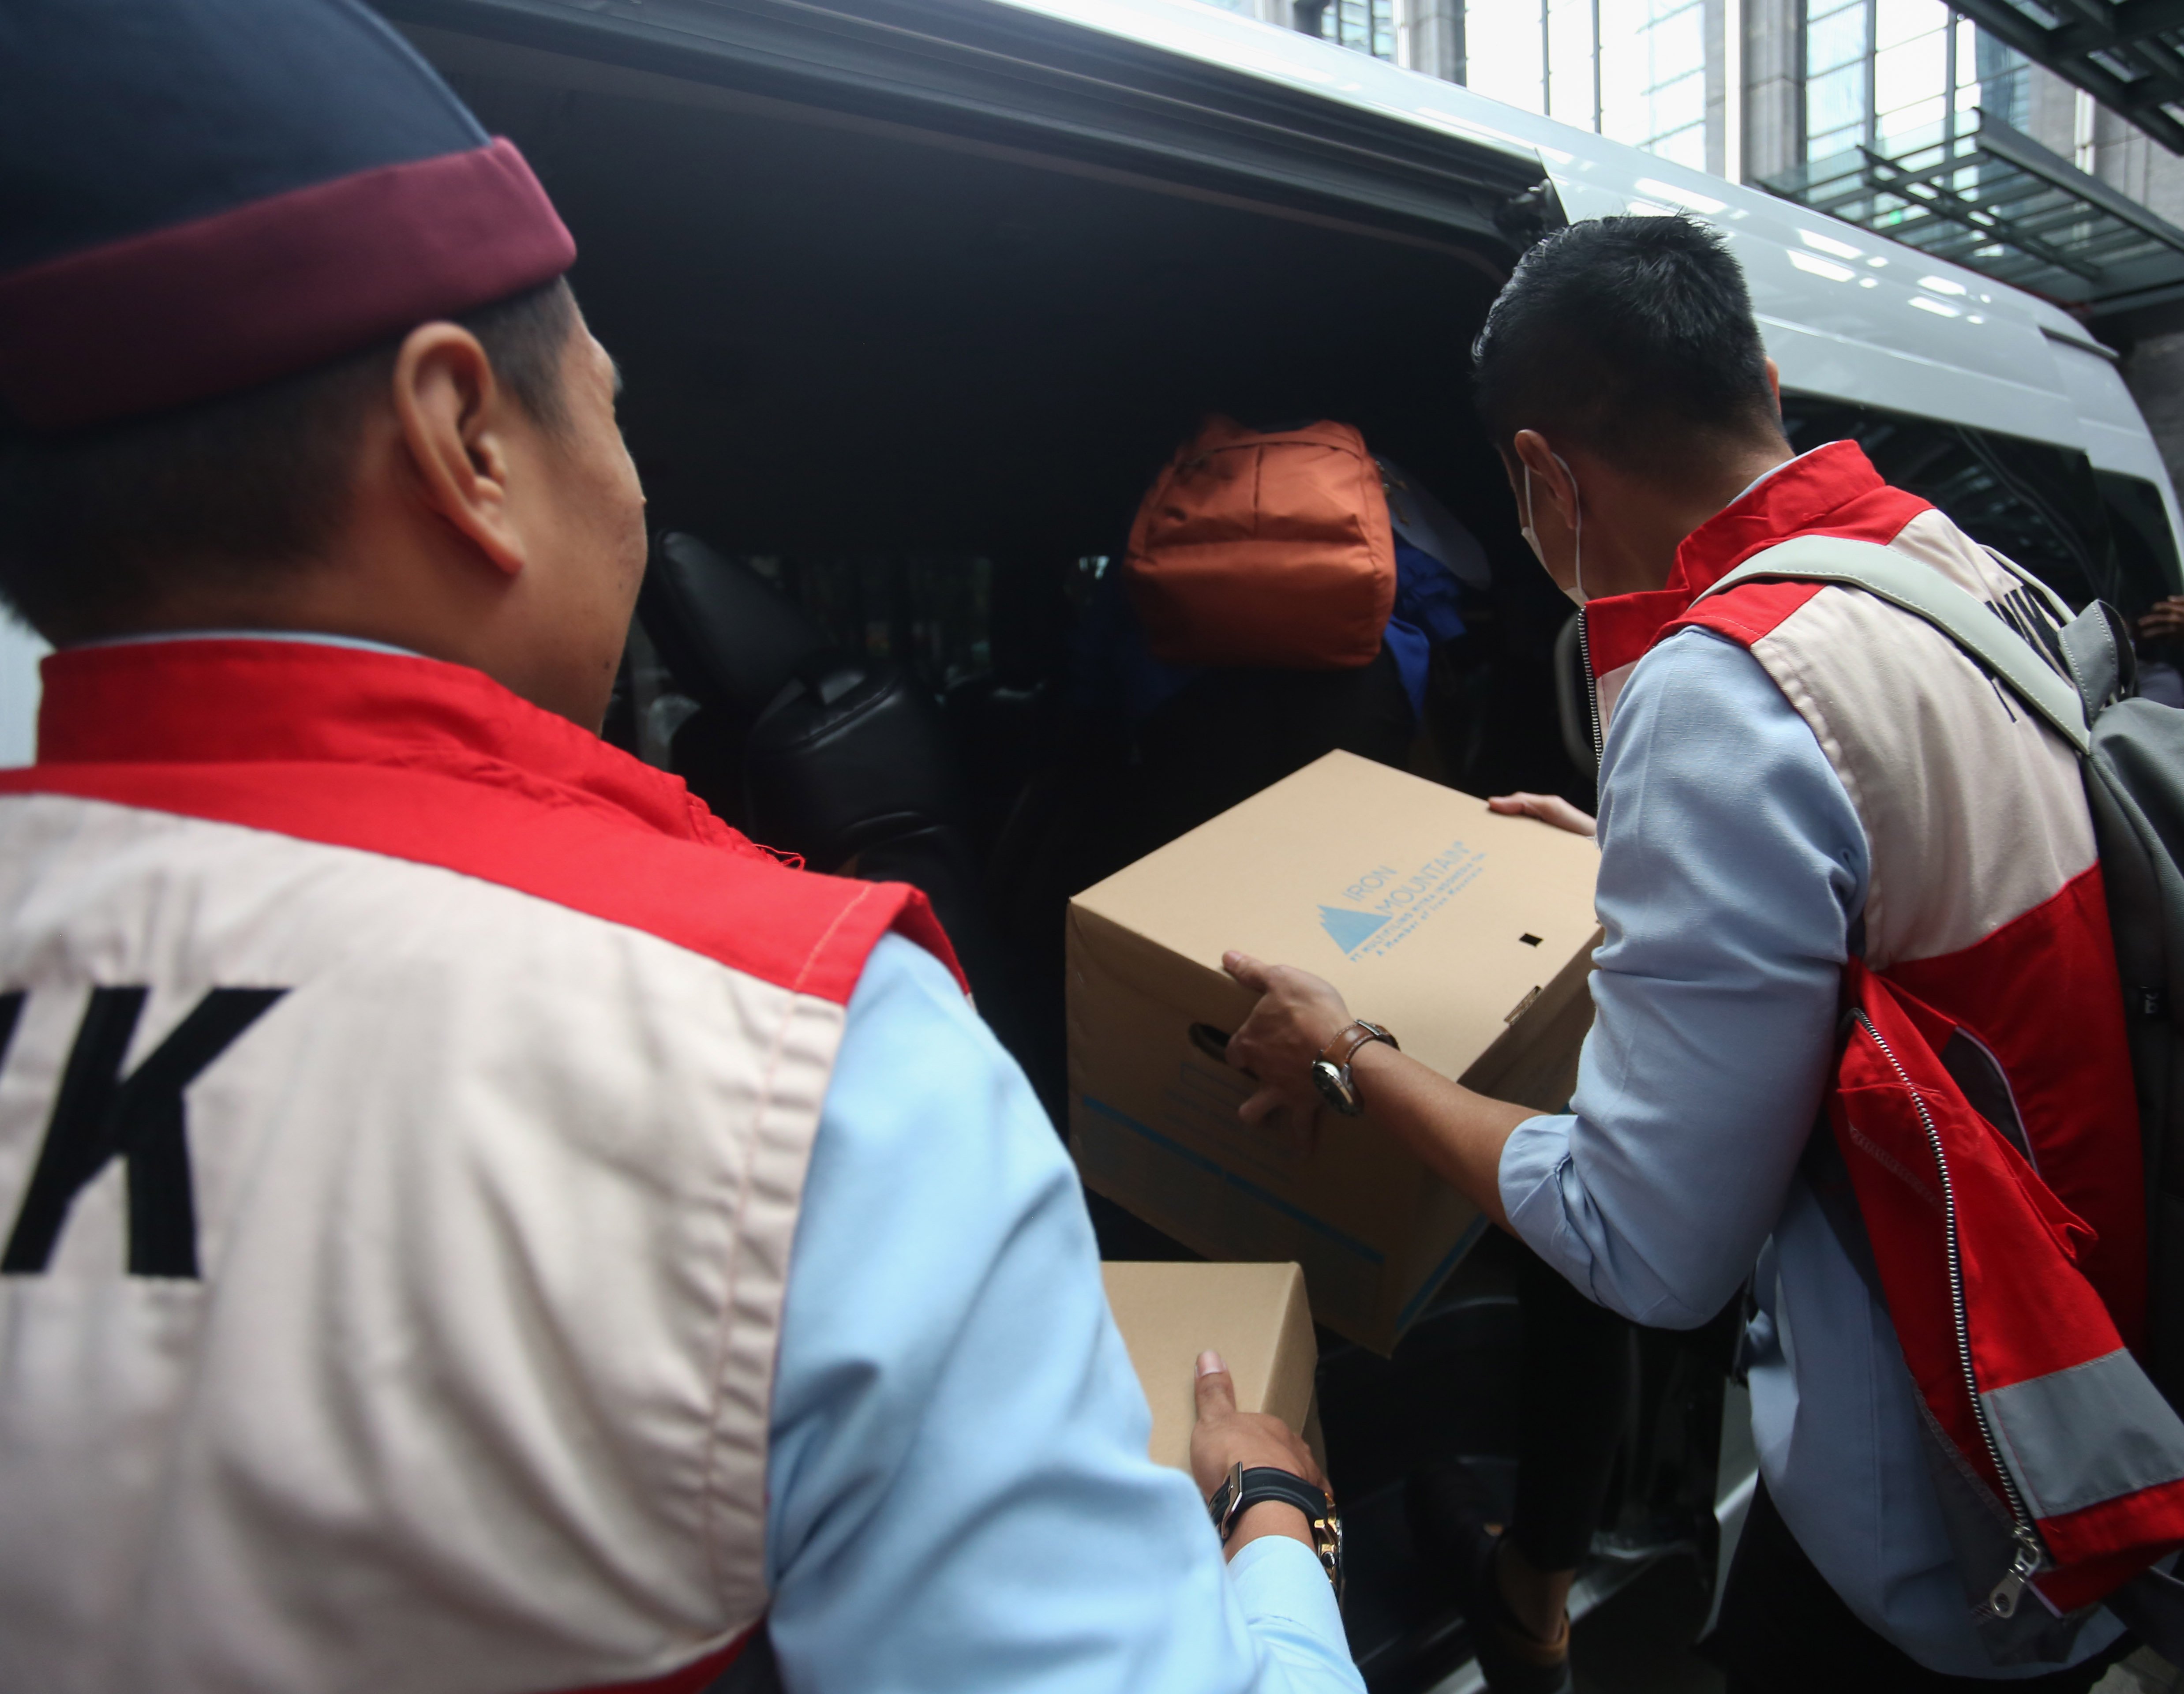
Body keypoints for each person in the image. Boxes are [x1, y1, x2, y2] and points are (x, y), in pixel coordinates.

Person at [0, 4, 1356, 1690]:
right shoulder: (796, 1064)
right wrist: (1275, 1534)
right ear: (465, 439)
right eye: (610, 413)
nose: (635, 493)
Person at [1221, 216, 2184, 1691]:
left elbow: (1640, 1244)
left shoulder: (1723, 685)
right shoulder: (1946, 564)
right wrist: (1653, 856)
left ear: (1540, 473)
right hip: (2106, 1384)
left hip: (1956, 1483)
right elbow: (1908, 854)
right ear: (1759, 379)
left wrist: (1343, 1049)